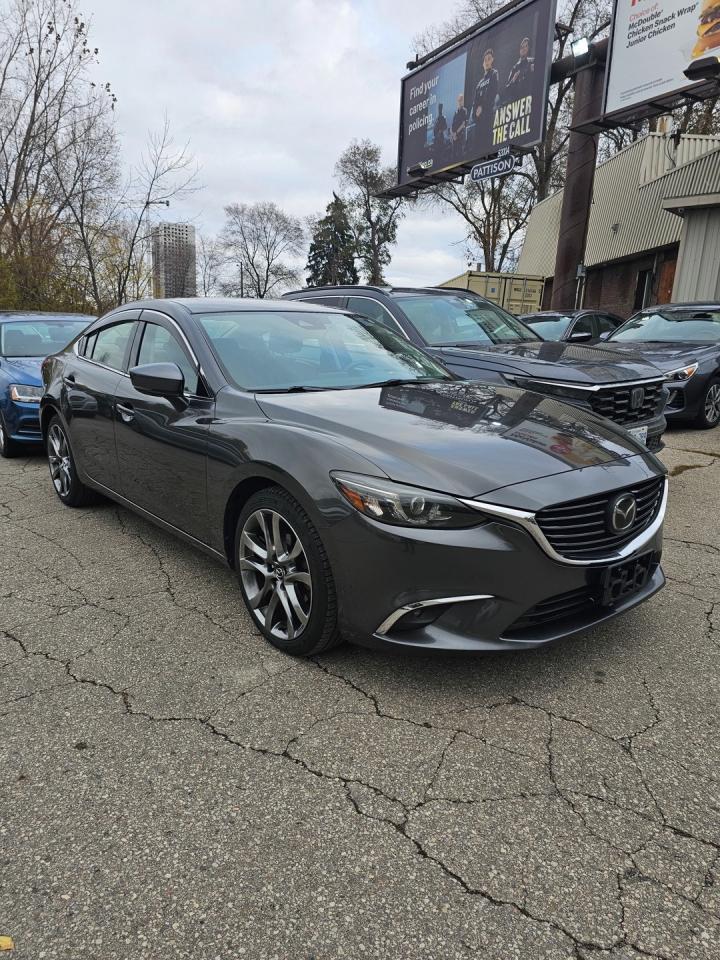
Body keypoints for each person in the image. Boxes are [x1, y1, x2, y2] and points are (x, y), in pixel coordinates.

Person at [470, 49, 498, 158]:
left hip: (489, 118)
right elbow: (474, 103)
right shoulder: (479, 83)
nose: (487, 62)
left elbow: (493, 93)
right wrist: (475, 114)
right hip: (478, 123)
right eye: (485, 60)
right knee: (478, 152)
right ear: (483, 63)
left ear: (492, 60)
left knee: (488, 148)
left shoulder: (494, 74)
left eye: (489, 59)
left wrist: (482, 107)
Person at [451, 93, 468, 160]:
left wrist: (456, 133)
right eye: (459, 100)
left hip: (460, 135)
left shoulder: (464, 110)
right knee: (454, 154)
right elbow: (452, 124)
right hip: (454, 137)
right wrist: (453, 134)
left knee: (460, 153)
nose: (460, 102)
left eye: (461, 100)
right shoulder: (455, 112)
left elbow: (463, 123)